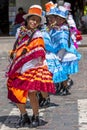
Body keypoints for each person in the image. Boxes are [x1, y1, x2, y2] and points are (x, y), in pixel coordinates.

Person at [6, 5, 55, 128]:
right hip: (18, 66)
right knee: (15, 91)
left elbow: (38, 52)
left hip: (32, 67)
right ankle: (24, 115)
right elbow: (17, 46)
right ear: (27, 19)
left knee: (31, 93)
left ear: (39, 23)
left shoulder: (38, 35)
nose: (34, 22)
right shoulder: (20, 31)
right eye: (32, 19)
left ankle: (36, 115)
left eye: (37, 21)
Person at [41, 3, 81, 95]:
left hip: (64, 55)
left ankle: (64, 88)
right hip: (58, 54)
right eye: (56, 18)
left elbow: (63, 45)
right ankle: (61, 87)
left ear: (63, 20)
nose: (56, 20)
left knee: (64, 73)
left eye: (59, 18)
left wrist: (58, 57)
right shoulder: (55, 28)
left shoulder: (63, 30)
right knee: (62, 73)